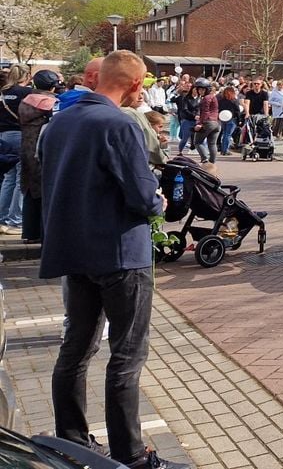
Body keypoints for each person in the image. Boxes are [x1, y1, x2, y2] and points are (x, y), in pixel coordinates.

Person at [41, 51, 188, 469]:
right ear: (136, 85)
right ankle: (132, 454)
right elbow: (143, 197)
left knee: (76, 348)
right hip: (120, 253)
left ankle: (71, 439)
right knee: (127, 354)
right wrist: (157, 201)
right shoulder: (120, 123)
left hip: (74, 251)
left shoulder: (60, 121)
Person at [18, 69, 59, 243]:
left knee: (29, 189)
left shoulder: (25, 100)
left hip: (26, 147)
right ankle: (44, 234)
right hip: (42, 149)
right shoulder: (51, 103)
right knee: (45, 190)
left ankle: (29, 232)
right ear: (52, 86)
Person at [0, 65, 32, 233]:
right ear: (26, 76)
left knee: (8, 177)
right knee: (21, 177)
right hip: (19, 135)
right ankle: (15, 220)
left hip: (3, 136)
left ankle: (2, 218)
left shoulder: (3, 92)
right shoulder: (26, 93)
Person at [191, 78, 221, 164]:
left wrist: (200, 124)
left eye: (203, 89)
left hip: (208, 122)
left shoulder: (206, 99)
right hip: (216, 122)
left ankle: (205, 160)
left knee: (197, 142)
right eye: (199, 89)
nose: (200, 91)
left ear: (207, 89)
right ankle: (212, 163)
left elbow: (205, 112)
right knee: (212, 144)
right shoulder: (213, 97)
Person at [216, 85, 242, 156]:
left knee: (225, 134)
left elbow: (218, 109)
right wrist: (239, 120)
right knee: (228, 134)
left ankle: (223, 149)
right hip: (232, 119)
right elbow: (237, 111)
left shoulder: (221, 101)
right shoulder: (234, 101)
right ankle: (225, 150)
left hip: (223, 118)